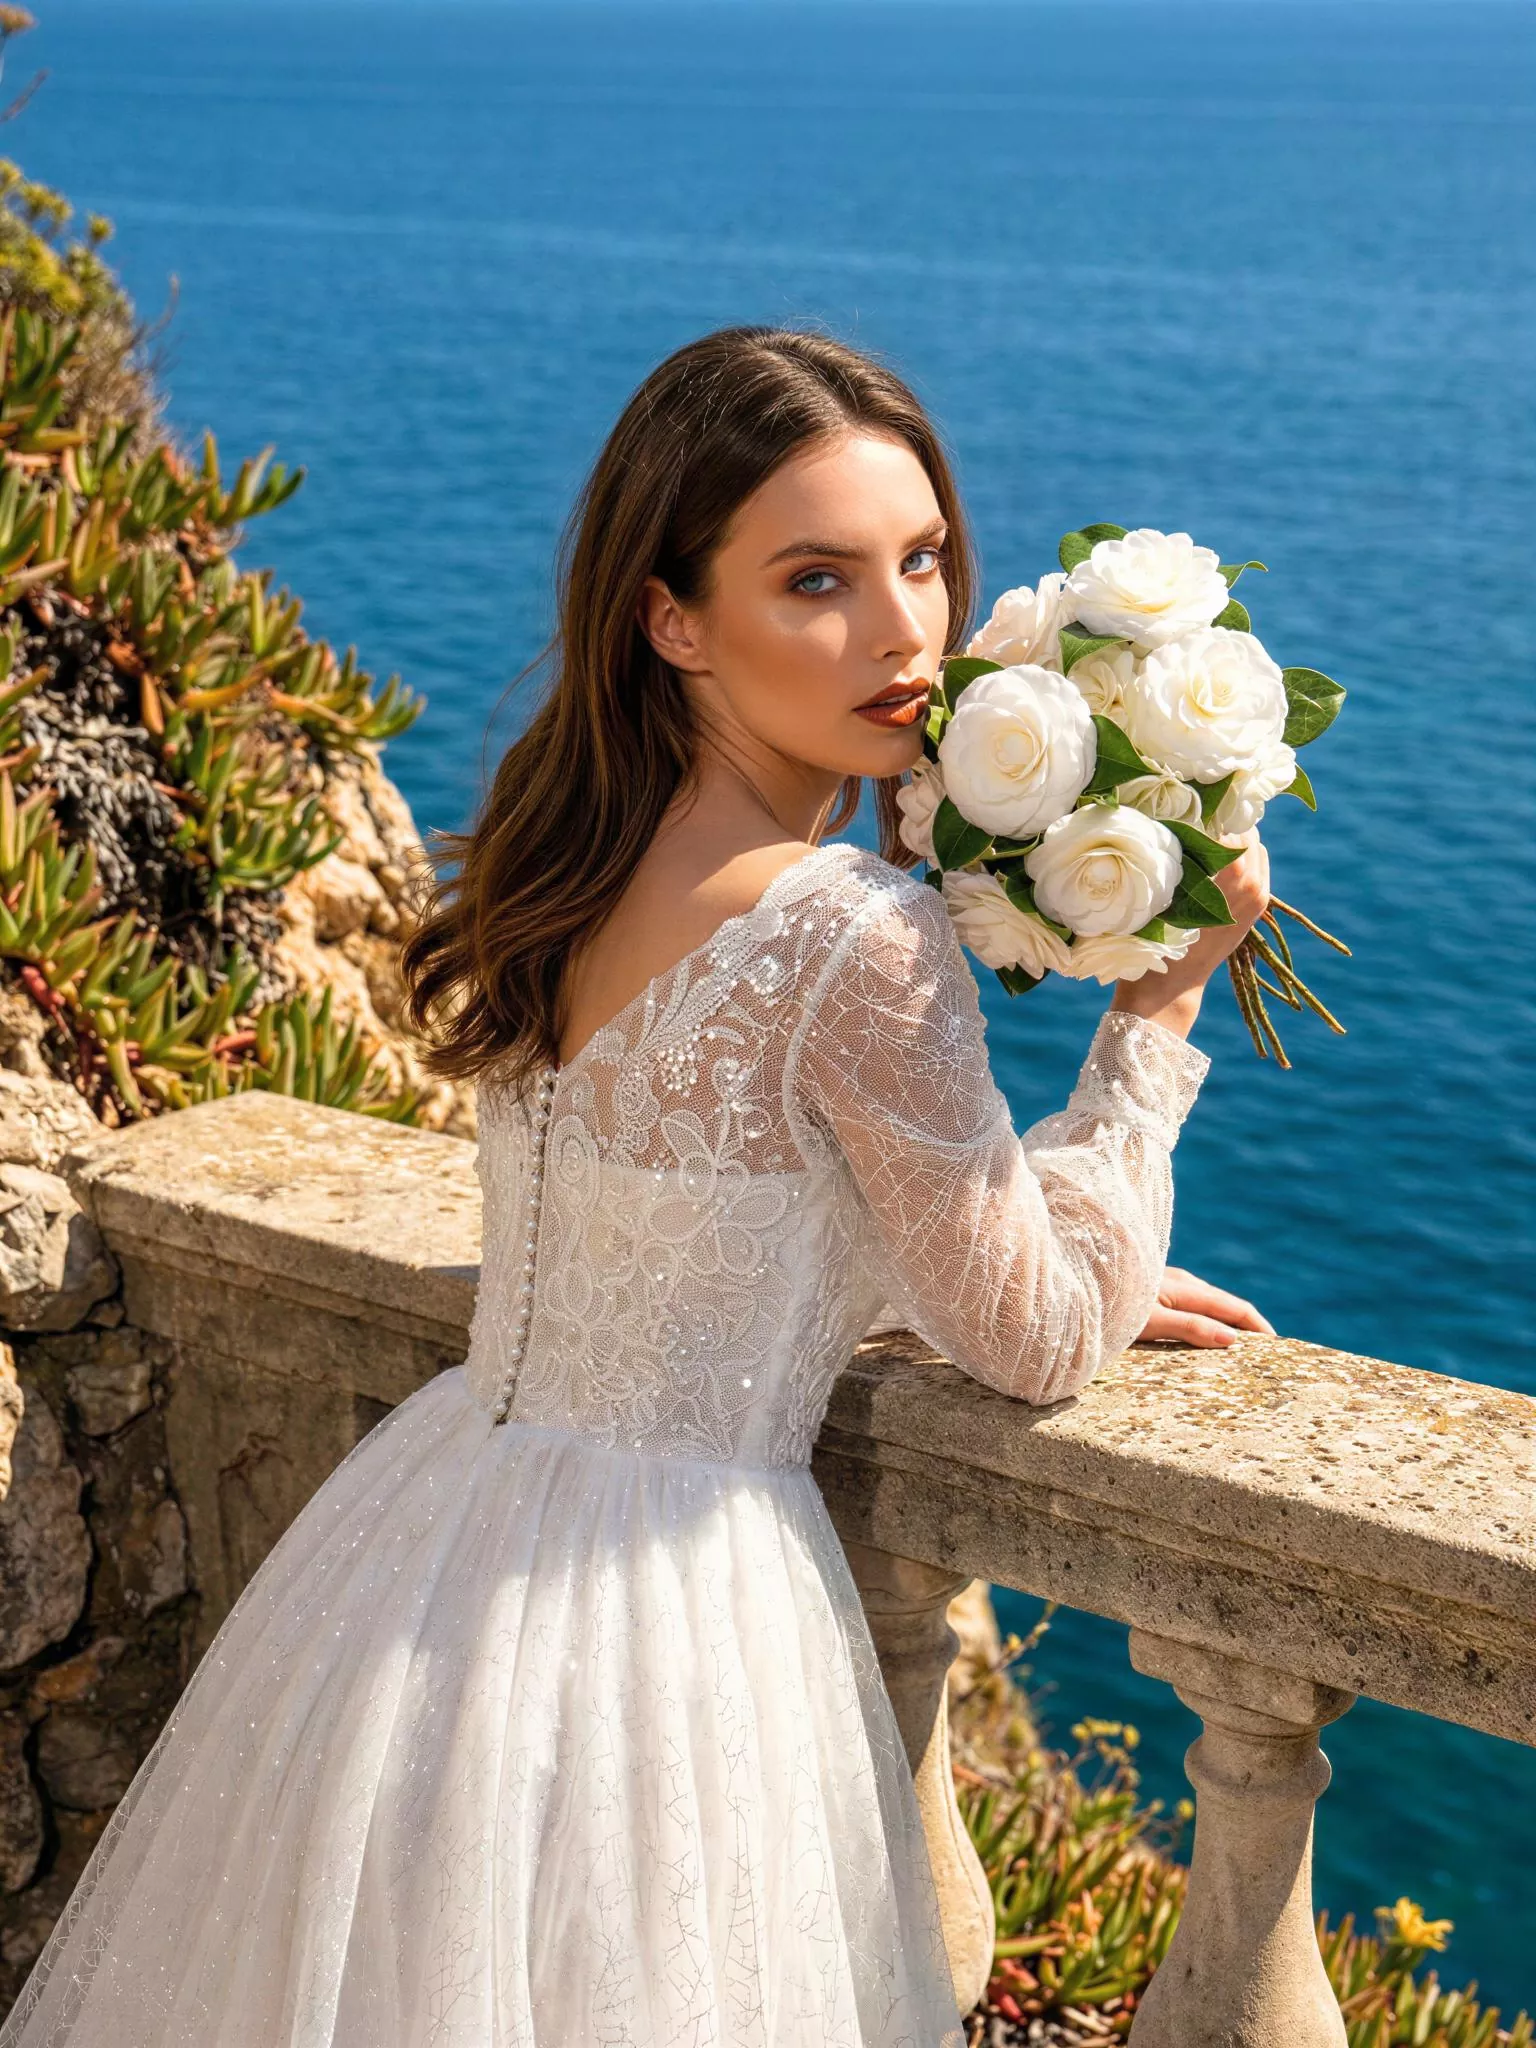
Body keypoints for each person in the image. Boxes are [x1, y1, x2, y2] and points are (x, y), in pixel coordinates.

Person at [0, 326, 1270, 2048]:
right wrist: (1157, 1019)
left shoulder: (569, 855)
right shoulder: (854, 934)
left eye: (924, 559)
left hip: (431, 1551)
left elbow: (698, 1207)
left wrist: (956, 1242)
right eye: (814, 579)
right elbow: (1039, 1338)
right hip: (667, 1624)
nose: (904, 630)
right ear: (675, 617)